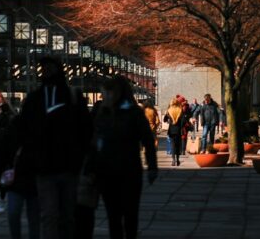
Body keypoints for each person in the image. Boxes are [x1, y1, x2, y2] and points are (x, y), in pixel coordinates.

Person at [16, 56, 94, 239]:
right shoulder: (38, 99)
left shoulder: (41, 99)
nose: (46, 72)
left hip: (63, 166)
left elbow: (86, 131)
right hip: (51, 167)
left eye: (48, 68)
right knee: (53, 216)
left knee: (63, 216)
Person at [90, 76, 158, 239]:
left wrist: (152, 167)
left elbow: (147, 140)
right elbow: (91, 140)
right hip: (106, 172)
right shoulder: (101, 112)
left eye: (106, 93)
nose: (103, 97)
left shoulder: (133, 113)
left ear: (117, 93)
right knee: (113, 216)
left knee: (130, 214)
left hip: (129, 171)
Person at [0, 119, 39, 239]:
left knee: (25, 216)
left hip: (27, 182)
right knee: (31, 217)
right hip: (23, 182)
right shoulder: (17, 133)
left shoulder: (18, 130)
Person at [163, 98, 188, 166]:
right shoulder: (180, 110)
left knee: (173, 145)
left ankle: (173, 160)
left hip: (171, 130)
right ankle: (178, 160)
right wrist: (181, 126)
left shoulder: (169, 110)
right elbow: (184, 121)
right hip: (178, 130)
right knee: (178, 145)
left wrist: (167, 116)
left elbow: (164, 120)